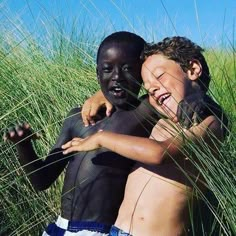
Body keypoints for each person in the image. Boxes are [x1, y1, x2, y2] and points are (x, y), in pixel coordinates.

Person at [62, 36, 228, 236]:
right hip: (116, 231)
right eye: (147, 86)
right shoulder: (159, 118)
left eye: (159, 77)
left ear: (192, 69)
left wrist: (100, 138)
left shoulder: (210, 123)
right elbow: (128, 96)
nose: (152, 88)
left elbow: (159, 153)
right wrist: (102, 94)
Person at [3, 31, 156, 236]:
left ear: (143, 72)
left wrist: (198, 102)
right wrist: (24, 146)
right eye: (108, 69)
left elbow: (177, 90)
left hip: (99, 231)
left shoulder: (143, 112)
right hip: (58, 229)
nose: (117, 76)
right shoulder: (77, 117)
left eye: (128, 68)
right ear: (97, 73)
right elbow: (42, 180)